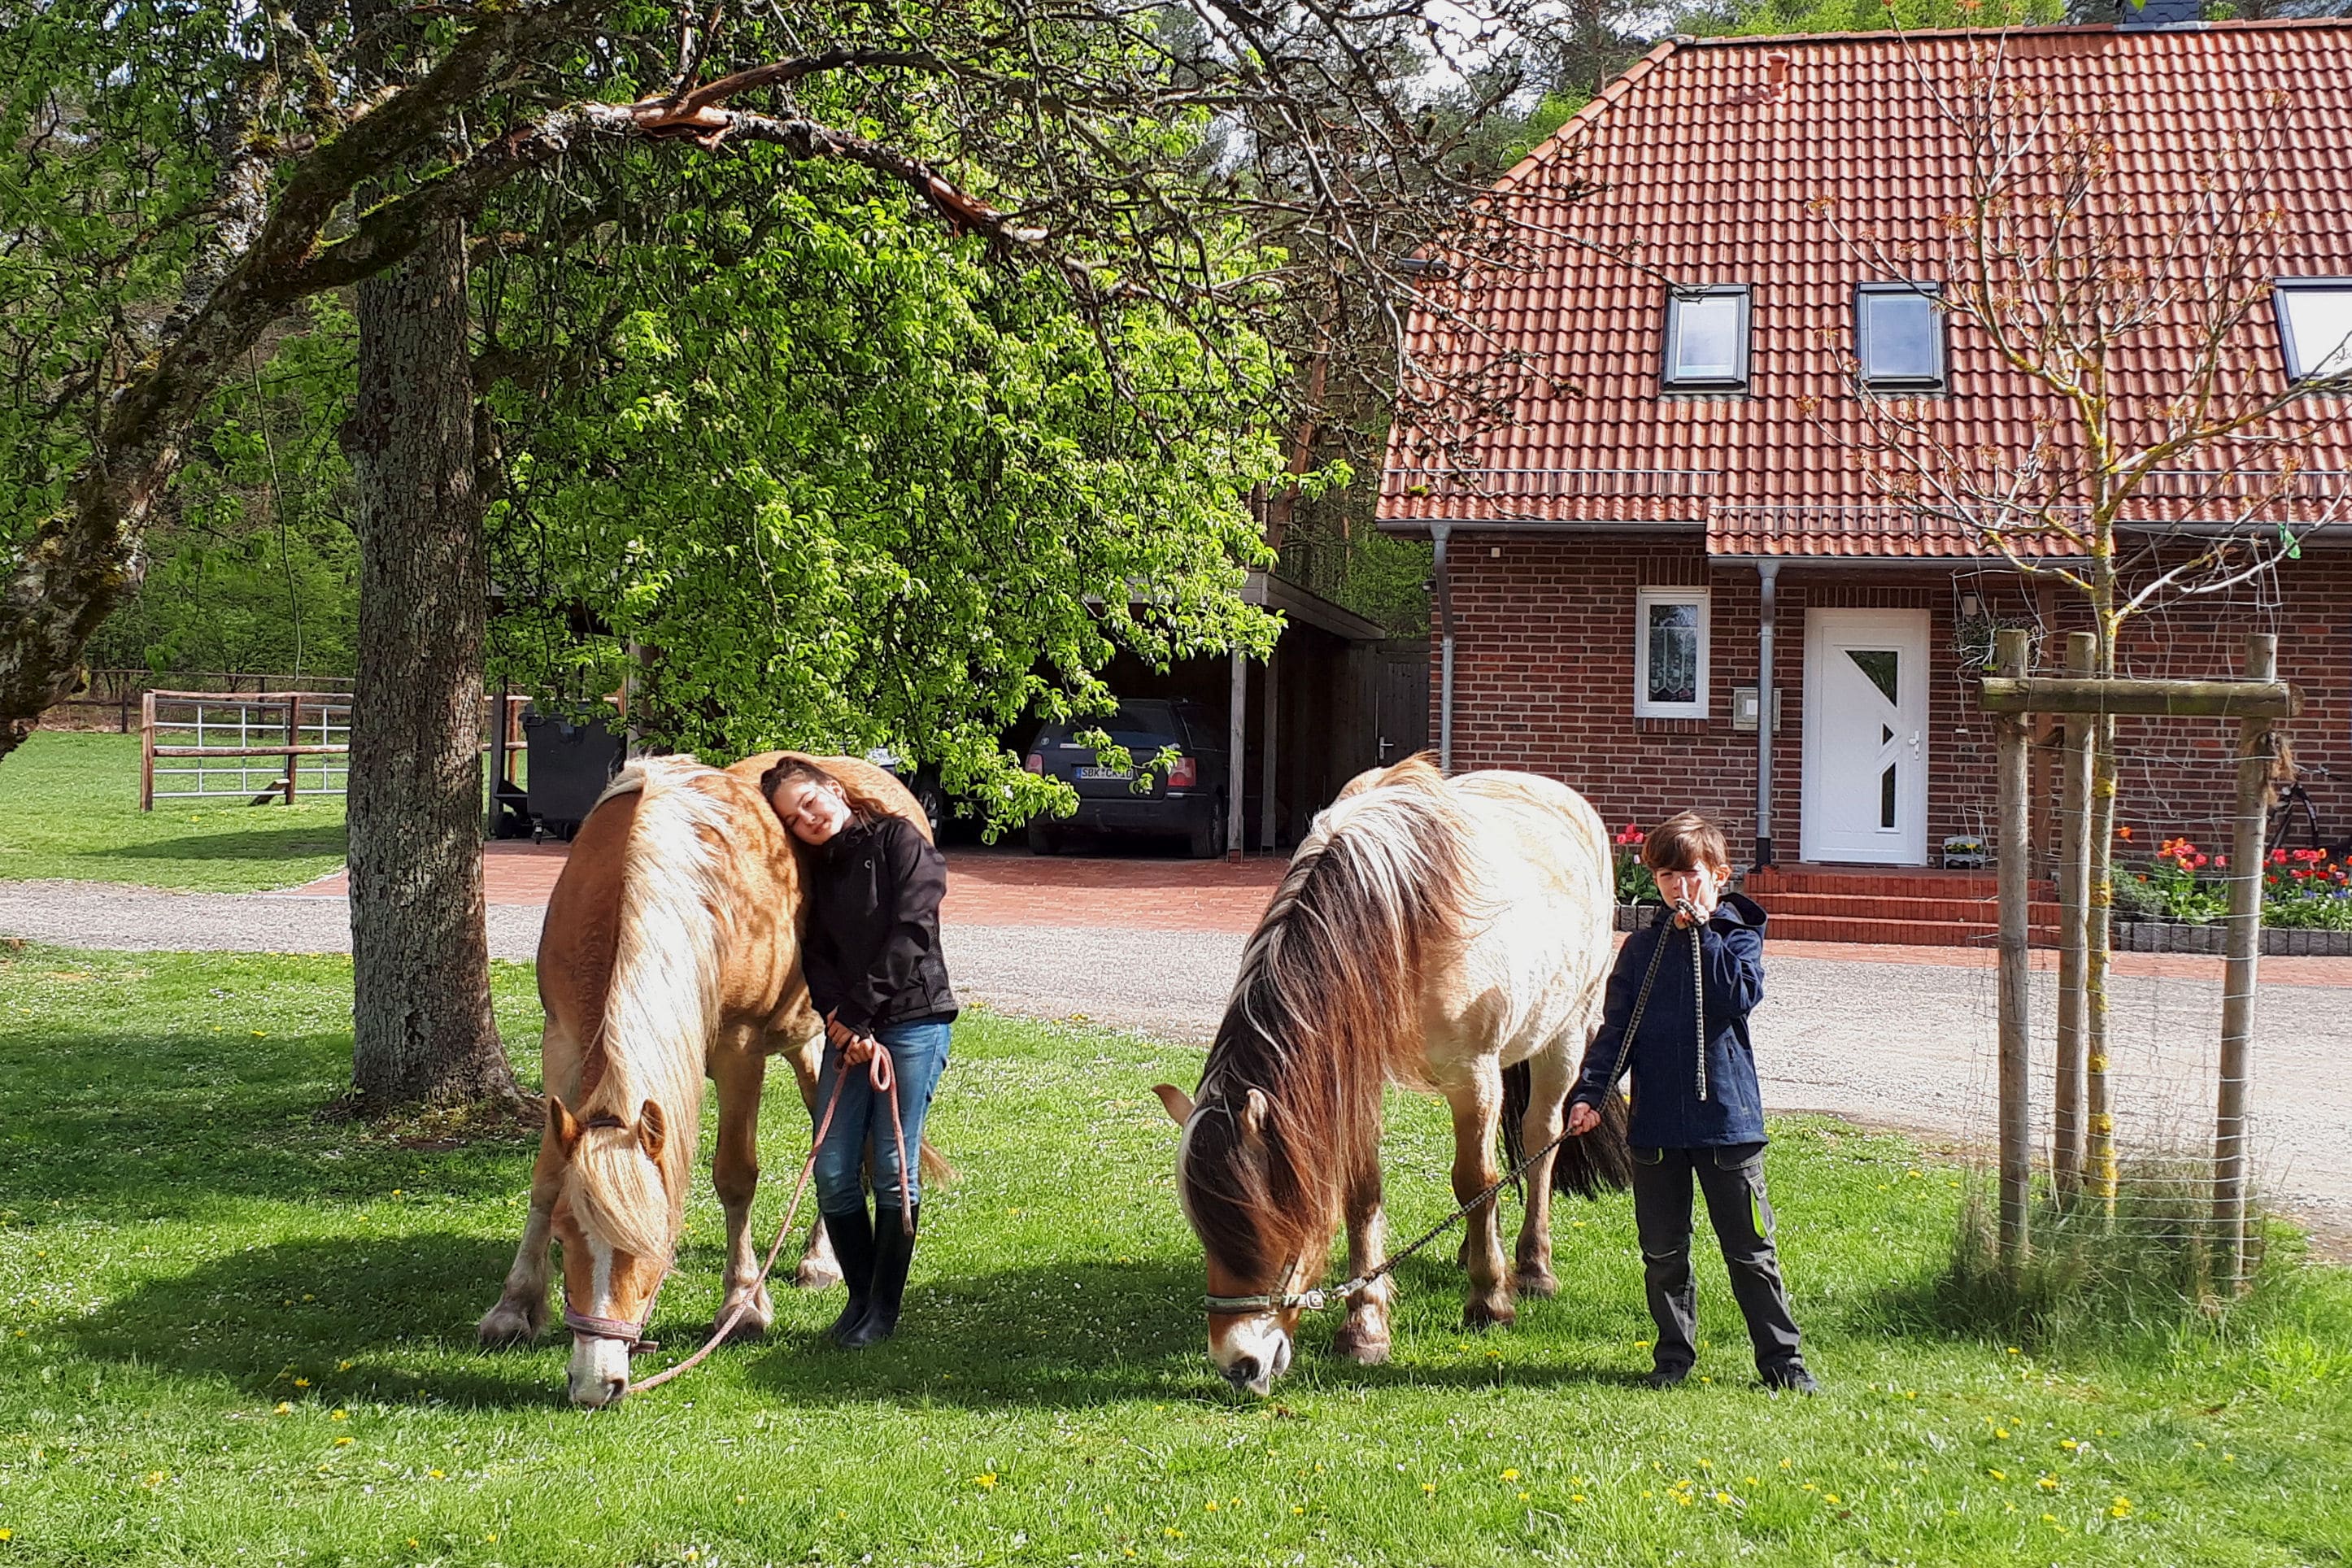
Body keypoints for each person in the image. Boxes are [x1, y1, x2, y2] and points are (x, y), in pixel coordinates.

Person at [1566, 810, 1817, 1395]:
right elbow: (1617, 1030)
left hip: (1727, 1126)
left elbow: (1737, 997)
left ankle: (1784, 1364)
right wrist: (1591, 1094)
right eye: (1666, 877)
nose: (1679, 888)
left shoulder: (1738, 937)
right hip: (1656, 1127)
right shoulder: (1642, 950)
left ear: (1720, 875)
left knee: (1750, 1251)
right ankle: (1672, 1359)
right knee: (1663, 1253)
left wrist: (1703, 932)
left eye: (1691, 875)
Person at [763, 756, 958, 1348]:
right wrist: (839, 1022)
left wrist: (856, 1017)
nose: (808, 819)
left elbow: (913, 929)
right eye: (794, 820)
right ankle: (861, 1299)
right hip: (851, 1032)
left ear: (834, 789)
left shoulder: (901, 839)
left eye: (810, 802)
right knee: (833, 1170)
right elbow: (816, 955)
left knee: (896, 1171)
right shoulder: (820, 872)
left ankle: (884, 1313)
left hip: (914, 1022)